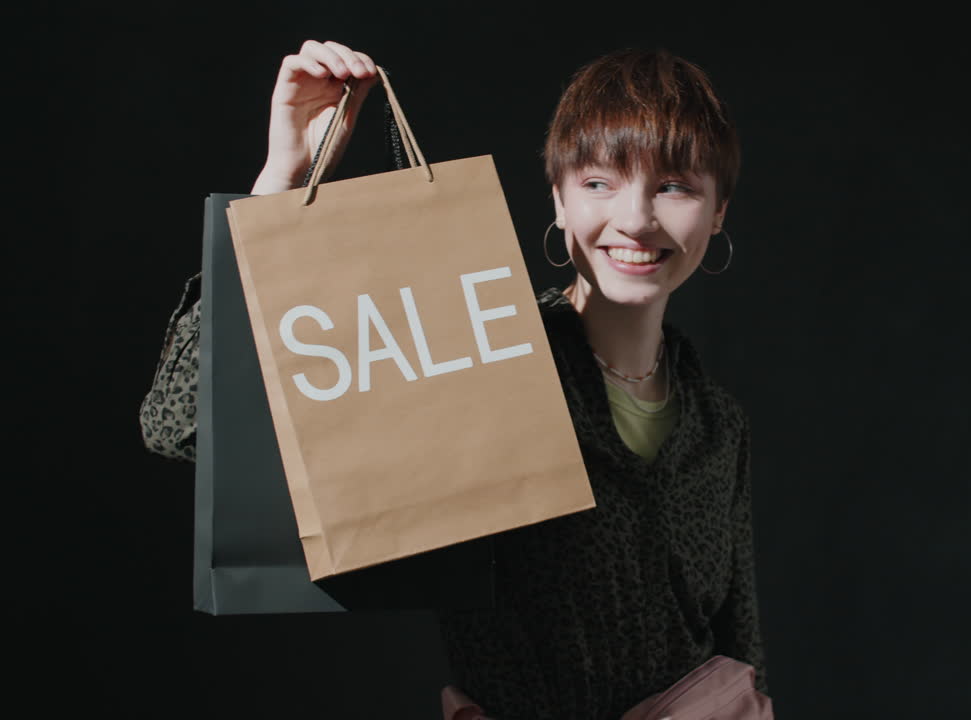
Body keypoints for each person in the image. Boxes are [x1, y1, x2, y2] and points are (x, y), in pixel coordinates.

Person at [140, 40, 768, 719]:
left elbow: (742, 656)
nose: (636, 219)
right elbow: (180, 423)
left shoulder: (717, 423)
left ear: (719, 211)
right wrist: (280, 185)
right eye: (599, 183)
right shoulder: (482, 355)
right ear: (556, 198)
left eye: (674, 186)